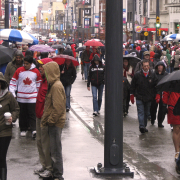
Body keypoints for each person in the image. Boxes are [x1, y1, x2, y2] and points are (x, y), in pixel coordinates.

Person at [41, 61, 66, 180]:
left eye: (46, 71)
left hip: (55, 123)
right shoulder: (54, 85)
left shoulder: (56, 86)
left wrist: (50, 121)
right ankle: (55, 172)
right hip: (53, 122)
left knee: (56, 150)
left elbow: (58, 108)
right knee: (53, 149)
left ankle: (58, 174)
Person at [9, 55, 41, 138]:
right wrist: (13, 94)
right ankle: (23, 129)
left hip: (32, 97)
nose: (25, 65)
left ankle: (34, 129)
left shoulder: (36, 71)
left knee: (32, 114)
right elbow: (13, 82)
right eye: (24, 63)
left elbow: (38, 84)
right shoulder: (19, 71)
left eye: (27, 64)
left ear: (31, 63)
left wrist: (38, 95)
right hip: (21, 97)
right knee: (22, 114)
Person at [34, 58, 53, 178]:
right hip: (38, 116)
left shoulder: (51, 84)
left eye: (42, 66)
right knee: (39, 142)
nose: (39, 68)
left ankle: (49, 168)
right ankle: (44, 165)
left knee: (46, 144)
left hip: (45, 118)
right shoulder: (42, 80)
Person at [130, 59, 158, 133]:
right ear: (142, 66)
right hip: (140, 96)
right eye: (144, 66)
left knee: (146, 113)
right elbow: (133, 85)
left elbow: (156, 85)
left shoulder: (152, 74)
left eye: (147, 66)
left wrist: (157, 94)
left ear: (149, 66)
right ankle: (141, 126)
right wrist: (131, 95)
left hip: (148, 97)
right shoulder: (137, 75)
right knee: (141, 112)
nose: (146, 67)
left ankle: (144, 125)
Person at [0, 72, 19, 180]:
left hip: (5, 131)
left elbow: (16, 109)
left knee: (1, 157)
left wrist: (13, 117)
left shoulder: (8, 96)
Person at [162, 91, 180, 174]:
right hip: (174, 106)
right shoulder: (173, 80)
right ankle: (177, 151)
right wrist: (165, 102)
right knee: (176, 128)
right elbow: (166, 91)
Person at [150, 61, 168, 127]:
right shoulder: (153, 74)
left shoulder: (166, 74)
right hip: (154, 93)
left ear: (163, 67)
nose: (160, 67)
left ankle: (160, 122)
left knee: (162, 109)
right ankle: (152, 119)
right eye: (159, 66)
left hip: (163, 94)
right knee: (153, 108)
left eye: (161, 66)